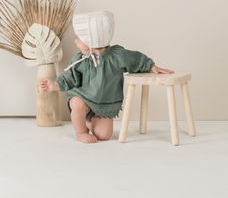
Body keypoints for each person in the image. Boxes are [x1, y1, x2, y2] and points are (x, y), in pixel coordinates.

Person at [40, 11, 174, 143]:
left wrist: (151, 66)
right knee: (77, 103)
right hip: (83, 97)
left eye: (79, 39)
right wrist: (54, 85)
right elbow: (69, 76)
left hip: (104, 104)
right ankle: (80, 132)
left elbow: (136, 59)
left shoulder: (117, 56)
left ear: (91, 41)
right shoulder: (80, 59)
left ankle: (88, 121)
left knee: (104, 136)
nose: (75, 41)